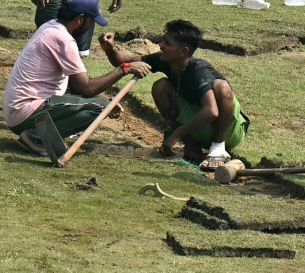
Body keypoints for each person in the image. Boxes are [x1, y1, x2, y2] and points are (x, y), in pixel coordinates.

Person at [3, 0, 151, 154]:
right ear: (80, 19)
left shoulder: (50, 26)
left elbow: (75, 83)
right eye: (91, 21)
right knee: (99, 107)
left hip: (18, 112)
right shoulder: (63, 40)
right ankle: (35, 136)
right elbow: (85, 87)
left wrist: (103, 96)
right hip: (27, 112)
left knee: (101, 102)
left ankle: (36, 134)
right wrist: (125, 68)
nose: (91, 26)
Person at [100, 20, 249, 168]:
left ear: (183, 51)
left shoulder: (199, 71)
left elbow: (211, 111)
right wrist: (110, 49)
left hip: (228, 132)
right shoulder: (165, 60)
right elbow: (124, 61)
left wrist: (175, 135)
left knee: (221, 87)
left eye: (167, 43)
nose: (161, 45)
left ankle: (218, 149)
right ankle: (190, 143)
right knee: (160, 86)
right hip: (199, 129)